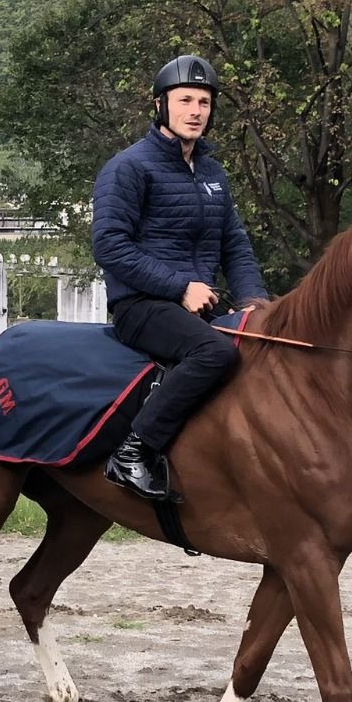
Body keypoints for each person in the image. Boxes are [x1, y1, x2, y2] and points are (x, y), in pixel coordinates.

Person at [92, 54, 267, 502]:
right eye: (185, 99)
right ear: (160, 106)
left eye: (204, 102)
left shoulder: (212, 173)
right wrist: (178, 287)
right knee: (214, 352)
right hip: (142, 304)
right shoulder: (129, 167)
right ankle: (133, 453)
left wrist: (253, 299)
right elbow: (110, 246)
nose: (195, 111)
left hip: (199, 303)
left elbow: (235, 243)